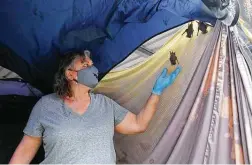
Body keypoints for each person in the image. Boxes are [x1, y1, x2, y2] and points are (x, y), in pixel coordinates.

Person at [9, 50, 181, 164]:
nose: (93, 69)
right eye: (85, 65)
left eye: (92, 65)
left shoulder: (105, 104)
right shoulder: (45, 106)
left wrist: (156, 92)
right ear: (70, 74)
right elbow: (25, 151)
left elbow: (138, 124)